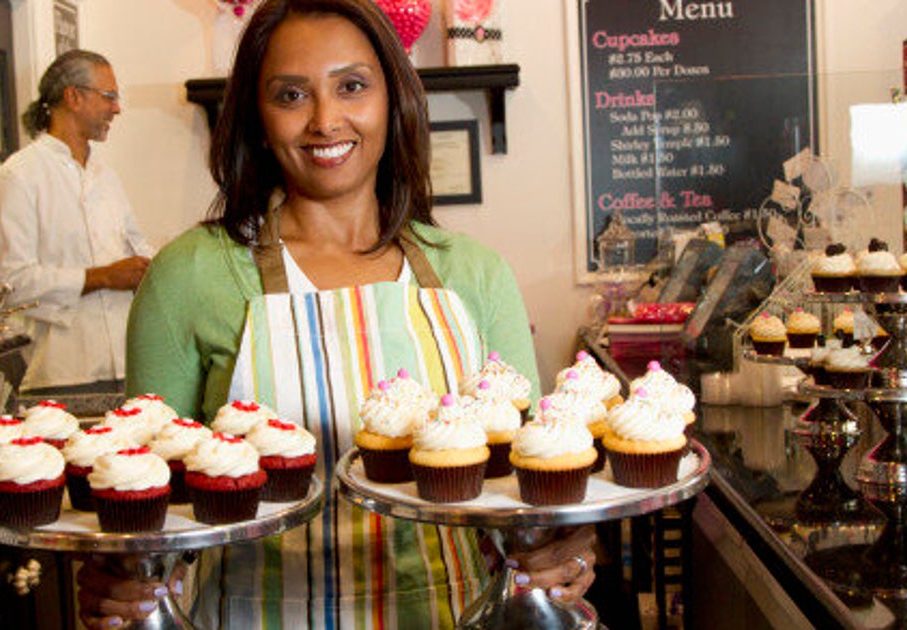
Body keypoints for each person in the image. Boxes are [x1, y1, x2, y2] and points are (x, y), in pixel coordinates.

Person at [78, 1, 596, 627]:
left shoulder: (474, 273)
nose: (326, 120)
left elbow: (529, 485)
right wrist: (121, 580)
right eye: (291, 94)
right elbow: (141, 496)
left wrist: (560, 552)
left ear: (392, 99)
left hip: (458, 613)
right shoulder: (188, 275)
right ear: (257, 116)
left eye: (352, 86)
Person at [0, 49, 154, 394]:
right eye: (109, 96)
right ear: (73, 97)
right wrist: (101, 277)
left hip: (126, 362)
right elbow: (8, 283)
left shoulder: (106, 177)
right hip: (59, 371)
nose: (116, 108)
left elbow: (137, 247)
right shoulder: (19, 176)